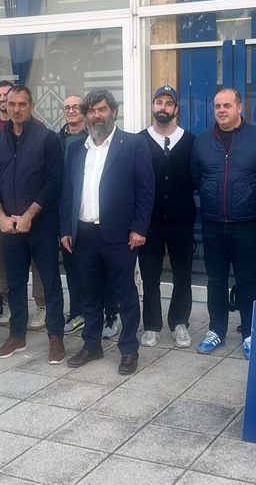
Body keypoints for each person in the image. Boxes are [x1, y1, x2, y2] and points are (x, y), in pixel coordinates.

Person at [61, 90, 155, 375]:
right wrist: (66, 228)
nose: (96, 115)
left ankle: (129, 349)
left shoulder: (133, 144)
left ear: (113, 112)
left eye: (102, 109)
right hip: (84, 234)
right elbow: (68, 191)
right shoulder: (77, 149)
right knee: (89, 295)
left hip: (121, 236)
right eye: (91, 111)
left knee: (126, 295)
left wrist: (139, 228)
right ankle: (92, 345)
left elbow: (146, 190)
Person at [190, 88, 256, 358]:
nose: (221, 110)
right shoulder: (202, 141)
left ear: (240, 108)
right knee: (215, 279)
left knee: (247, 280)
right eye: (217, 106)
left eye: (227, 105)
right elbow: (196, 176)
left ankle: (250, 333)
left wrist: (254, 204)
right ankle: (216, 330)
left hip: (246, 224)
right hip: (212, 223)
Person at [0, 85, 67, 364]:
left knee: (50, 281)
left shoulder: (47, 139)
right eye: (12, 104)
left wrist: (29, 215)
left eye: (22, 104)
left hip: (42, 223)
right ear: (5, 106)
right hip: (9, 225)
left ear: (32, 106)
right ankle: (17, 335)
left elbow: (54, 182)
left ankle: (56, 337)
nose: (16, 109)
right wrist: (1, 216)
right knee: (15, 282)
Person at [137, 85, 195, 348]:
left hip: (182, 221)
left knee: (183, 274)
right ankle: (151, 325)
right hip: (149, 222)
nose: (163, 107)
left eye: (168, 103)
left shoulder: (190, 141)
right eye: (159, 102)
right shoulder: (139, 141)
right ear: (152, 106)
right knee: (150, 275)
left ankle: (180, 322)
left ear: (176, 109)